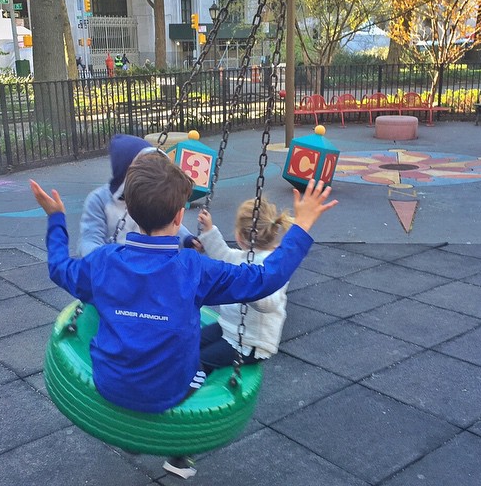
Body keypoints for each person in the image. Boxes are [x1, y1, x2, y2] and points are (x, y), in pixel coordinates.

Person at [29, 153, 337, 479]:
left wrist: (56, 218)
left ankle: (131, 433)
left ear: (130, 212)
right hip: (169, 390)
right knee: (197, 366)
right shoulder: (193, 269)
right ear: (180, 216)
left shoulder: (103, 261)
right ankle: (174, 449)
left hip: (109, 382)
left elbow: (59, 268)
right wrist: (301, 227)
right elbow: (264, 280)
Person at [196, 198, 292, 374]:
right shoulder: (243, 257)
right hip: (228, 328)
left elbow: (269, 303)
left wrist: (249, 289)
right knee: (190, 343)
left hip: (251, 343)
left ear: (239, 236)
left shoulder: (272, 267)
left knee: (201, 360)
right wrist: (209, 231)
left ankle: (189, 390)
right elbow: (223, 256)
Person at [79, 134, 191, 256]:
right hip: (117, 265)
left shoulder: (151, 195)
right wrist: (107, 260)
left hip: (151, 259)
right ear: (127, 173)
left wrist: (187, 239)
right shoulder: (99, 200)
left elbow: (167, 222)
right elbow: (89, 240)